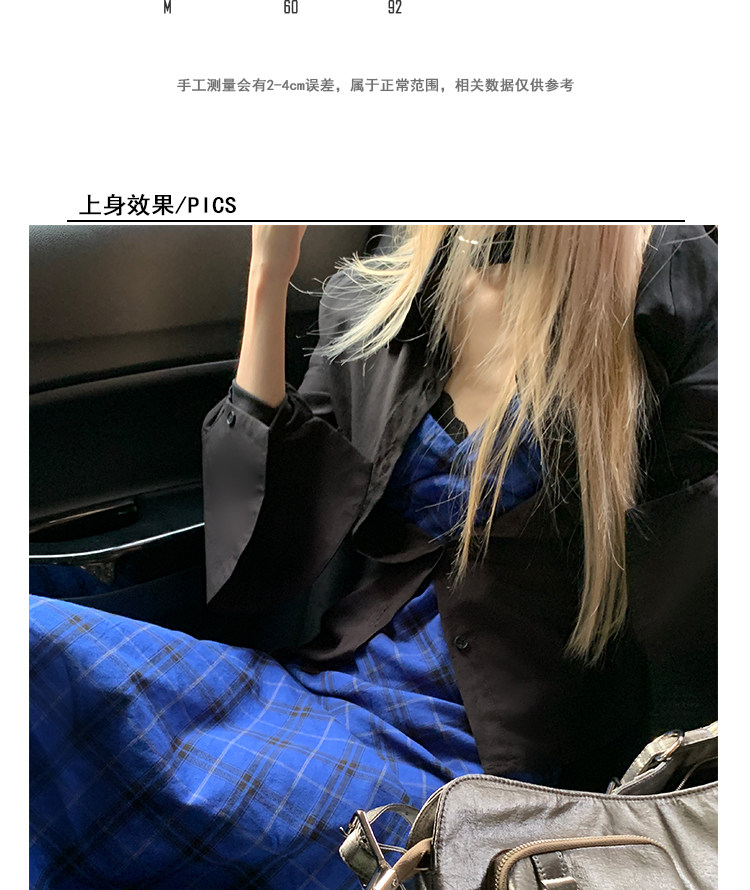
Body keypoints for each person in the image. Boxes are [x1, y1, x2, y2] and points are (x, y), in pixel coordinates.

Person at [29, 224, 717, 890]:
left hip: (474, 766)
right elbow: (256, 547)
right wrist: (267, 276)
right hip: (327, 684)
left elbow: (694, 601)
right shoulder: (395, 283)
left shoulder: (669, 285)